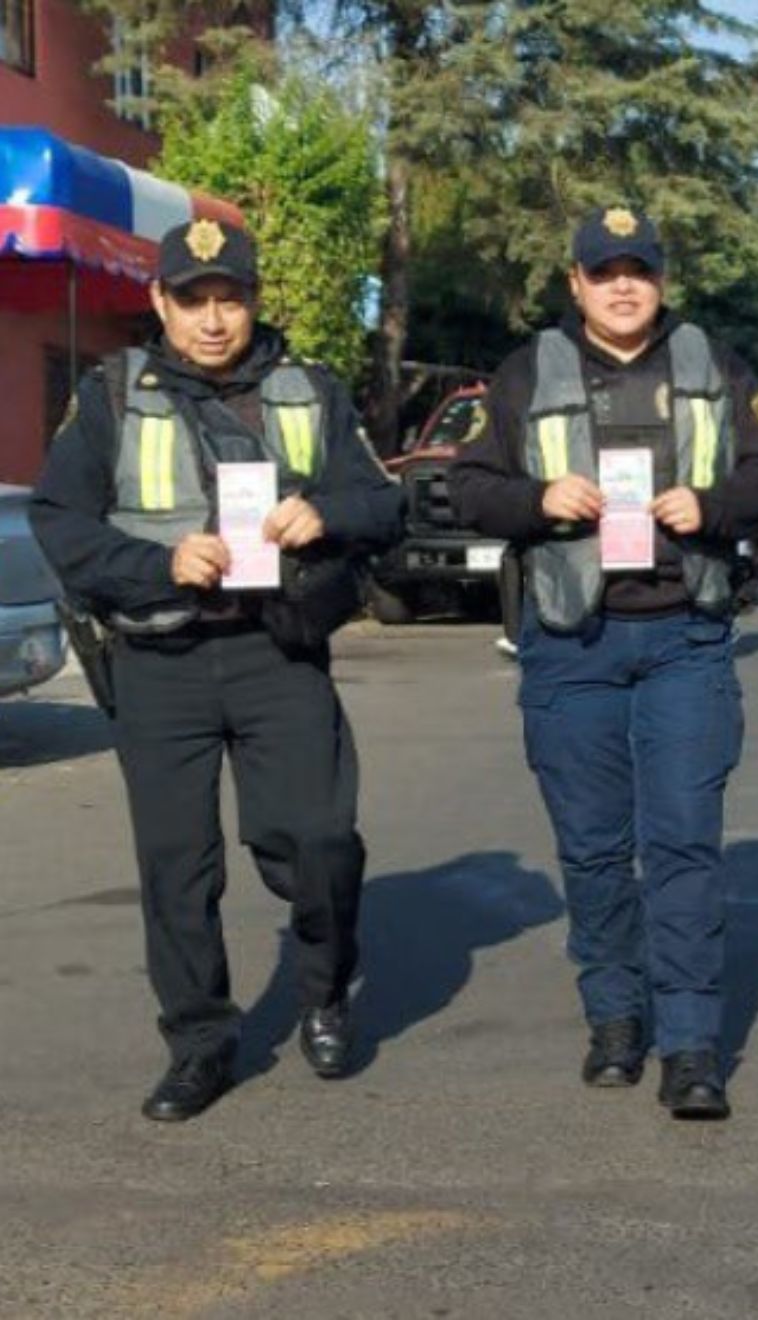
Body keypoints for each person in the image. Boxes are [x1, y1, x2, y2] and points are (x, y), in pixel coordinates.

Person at [30, 218, 404, 1120]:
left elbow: (382, 503)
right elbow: (62, 523)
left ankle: (324, 985)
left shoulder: (309, 389)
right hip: (160, 657)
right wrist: (158, 565)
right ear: (159, 302)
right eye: (190, 299)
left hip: (278, 649)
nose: (209, 319)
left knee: (316, 839)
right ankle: (200, 1042)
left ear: (252, 301)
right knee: (176, 867)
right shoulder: (112, 396)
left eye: (226, 299)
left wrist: (324, 514)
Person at [450, 206, 758, 1121]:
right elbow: (468, 488)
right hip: (572, 645)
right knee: (595, 850)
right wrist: (538, 497)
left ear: (662, 280)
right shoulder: (528, 374)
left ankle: (690, 1044)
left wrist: (710, 506)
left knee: (682, 844)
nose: (623, 286)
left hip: (686, 637)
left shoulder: (712, 367)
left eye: (638, 269)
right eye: (605, 273)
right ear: (576, 284)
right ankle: (614, 1018)